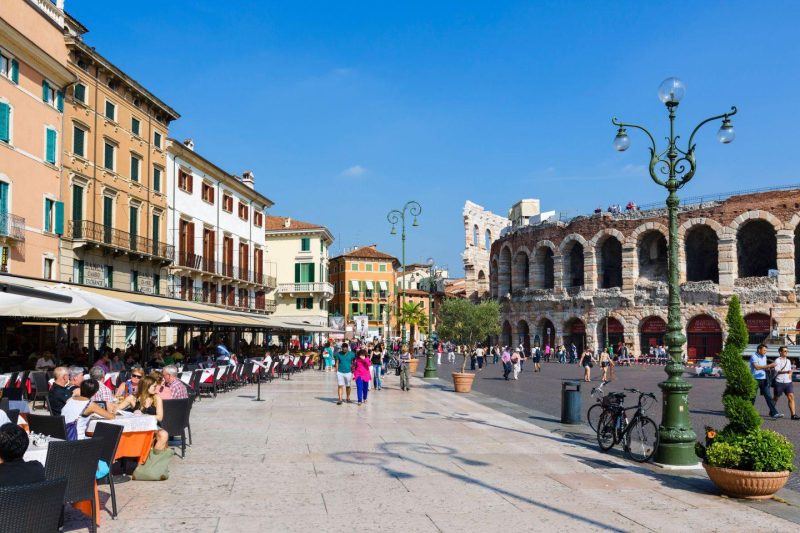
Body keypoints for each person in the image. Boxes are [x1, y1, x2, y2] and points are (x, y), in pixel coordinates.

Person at [116, 376, 170, 450]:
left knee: (164, 434)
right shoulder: (133, 398)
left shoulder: (156, 398)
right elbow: (116, 410)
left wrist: (143, 416)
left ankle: (154, 458)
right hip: (137, 427)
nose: (156, 388)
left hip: (152, 426)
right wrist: (130, 414)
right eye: (154, 386)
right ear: (146, 386)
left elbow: (160, 417)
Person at [750, 343, 782, 418]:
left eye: (766, 350)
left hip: (764, 379)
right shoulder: (754, 356)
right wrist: (769, 365)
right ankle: (748, 412)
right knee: (752, 397)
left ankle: (774, 413)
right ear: (759, 350)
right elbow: (757, 367)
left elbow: (764, 367)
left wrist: (770, 368)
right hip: (755, 379)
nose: (765, 352)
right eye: (764, 350)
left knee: (768, 396)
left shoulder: (764, 356)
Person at [772, 346, 798, 420]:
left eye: (787, 351)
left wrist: (790, 376)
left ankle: (793, 415)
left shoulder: (788, 361)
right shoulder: (777, 360)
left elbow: (790, 370)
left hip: (788, 382)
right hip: (779, 381)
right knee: (776, 398)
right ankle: (772, 411)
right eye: (785, 351)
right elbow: (778, 371)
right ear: (780, 352)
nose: (787, 352)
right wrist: (787, 372)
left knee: (791, 397)